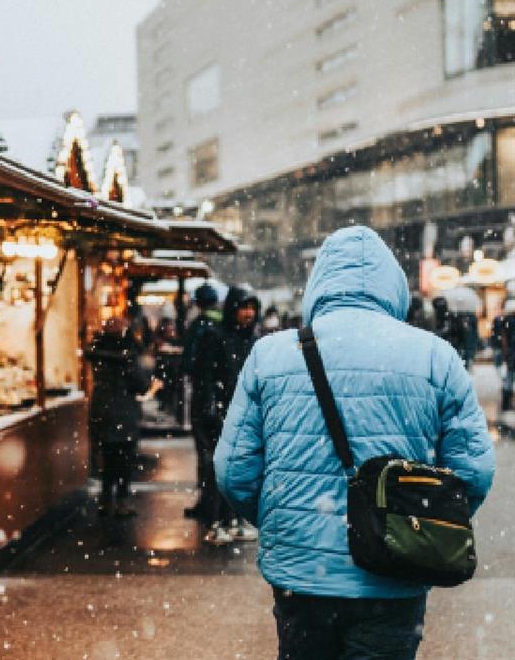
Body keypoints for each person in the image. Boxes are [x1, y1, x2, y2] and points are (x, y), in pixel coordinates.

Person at [215, 226, 495, 660]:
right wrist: (417, 524)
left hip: (301, 575)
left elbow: (233, 472)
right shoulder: (435, 356)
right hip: (393, 573)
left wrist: (282, 521)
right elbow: (474, 471)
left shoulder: (269, 356)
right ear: (393, 286)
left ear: (319, 284)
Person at [201, 285, 261, 545]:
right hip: (220, 413)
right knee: (218, 469)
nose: (248, 314)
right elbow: (206, 376)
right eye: (243, 308)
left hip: (242, 413)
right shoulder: (216, 336)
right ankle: (215, 522)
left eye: (251, 308)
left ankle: (233, 520)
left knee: (238, 468)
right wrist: (211, 406)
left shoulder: (252, 339)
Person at [84, 316, 157, 516]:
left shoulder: (96, 353)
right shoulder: (128, 356)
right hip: (124, 412)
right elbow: (141, 384)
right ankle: (122, 501)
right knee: (124, 458)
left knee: (107, 458)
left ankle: (106, 499)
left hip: (102, 409)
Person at [181, 282, 223, 521]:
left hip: (203, 397)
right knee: (220, 452)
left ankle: (207, 503)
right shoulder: (225, 325)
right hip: (223, 398)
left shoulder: (199, 326)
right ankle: (220, 506)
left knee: (205, 451)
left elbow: (188, 363)